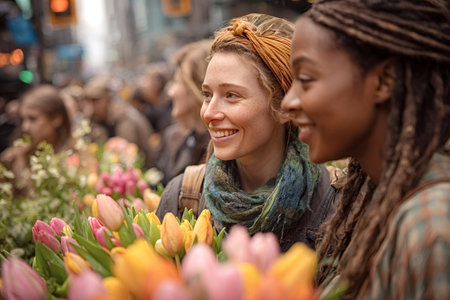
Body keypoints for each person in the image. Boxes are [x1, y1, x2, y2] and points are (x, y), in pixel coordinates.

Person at [281, 0, 450, 299]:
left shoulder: (433, 224)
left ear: (383, 81)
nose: (288, 102)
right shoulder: (377, 203)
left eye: (306, 79)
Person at [157, 13, 335, 252]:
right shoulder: (182, 197)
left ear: (286, 106)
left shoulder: (335, 202)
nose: (209, 113)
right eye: (207, 94)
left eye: (232, 95)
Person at [156, 39, 212, 185]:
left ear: (196, 89)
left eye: (176, 82)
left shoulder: (222, 150)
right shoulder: (182, 138)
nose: (170, 92)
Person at [0, 85, 73, 196]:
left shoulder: (76, 156)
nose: (25, 127)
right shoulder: (11, 159)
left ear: (57, 118)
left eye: (33, 119)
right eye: (22, 119)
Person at [83, 75, 156, 168]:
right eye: (88, 101)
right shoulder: (90, 122)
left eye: (95, 100)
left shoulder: (128, 118)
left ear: (108, 99)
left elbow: (144, 151)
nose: (92, 106)